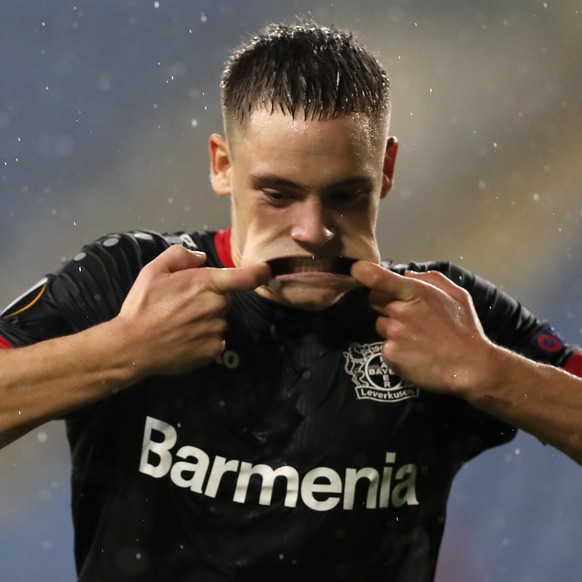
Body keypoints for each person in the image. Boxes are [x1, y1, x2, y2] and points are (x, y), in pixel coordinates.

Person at [0, 21, 580, 581]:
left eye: (345, 195)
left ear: (386, 170)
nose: (314, 230)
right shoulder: (133, 280)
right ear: (223, 166)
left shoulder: (446, 313)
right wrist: (121, 350)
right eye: (279, 194)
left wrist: (486, 372)